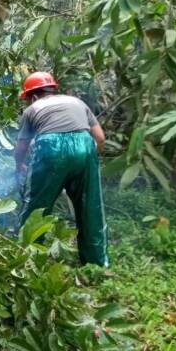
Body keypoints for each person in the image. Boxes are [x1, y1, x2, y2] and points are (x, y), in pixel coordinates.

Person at [14, 71, 108, 266]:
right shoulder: (77, 102)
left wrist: (19, 165)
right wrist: (88, 159)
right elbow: (100, 138)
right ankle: (97, 264)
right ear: (53, 89)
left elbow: (22, 146)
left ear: (32, 96)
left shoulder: (32, 109)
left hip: (51, 147)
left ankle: (27, 260)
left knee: (36, 206)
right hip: (85, 144)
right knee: (90, 207)